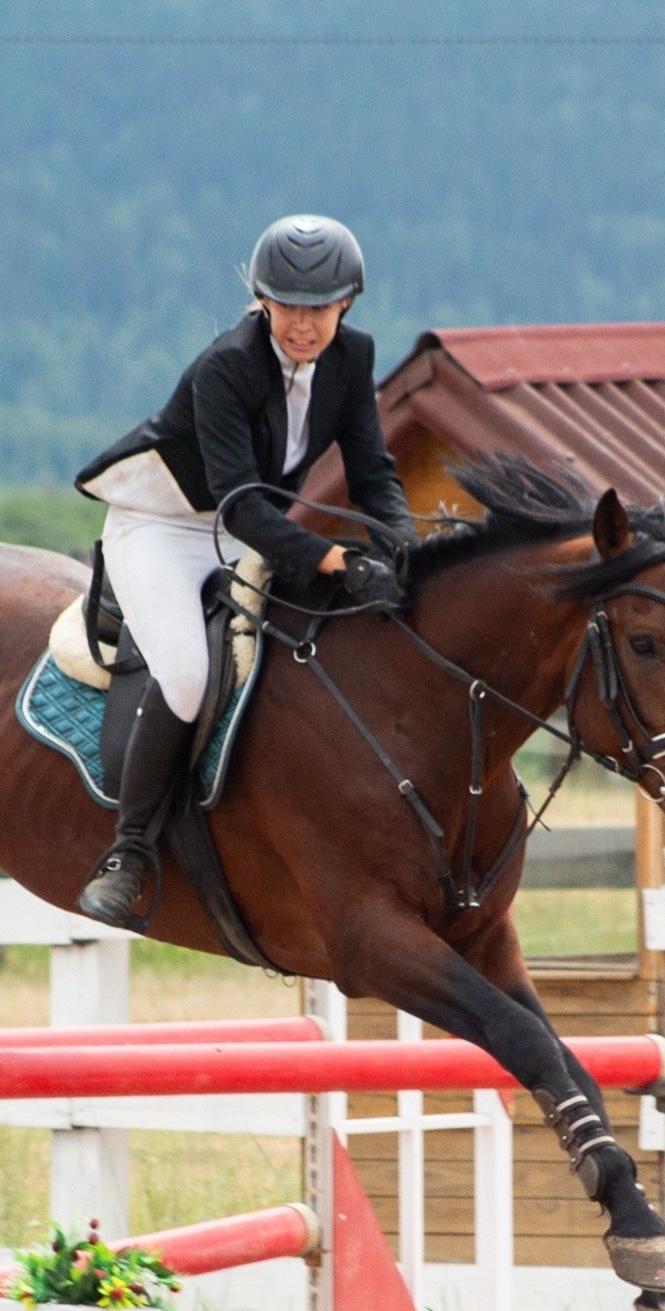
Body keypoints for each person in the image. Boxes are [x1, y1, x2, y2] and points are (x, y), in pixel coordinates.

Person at [70, 213, 415, 924]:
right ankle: (128, 852)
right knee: (191, 673)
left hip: (245, 526)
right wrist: (333, 559)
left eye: (318, 309)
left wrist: (403, 548)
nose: (302, 324)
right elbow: (243, 505)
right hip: (166, 526)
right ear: (262, 301)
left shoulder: (353, 357)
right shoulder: (228, 365)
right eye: (287, 306)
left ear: (345, 304)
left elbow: (374, 473)